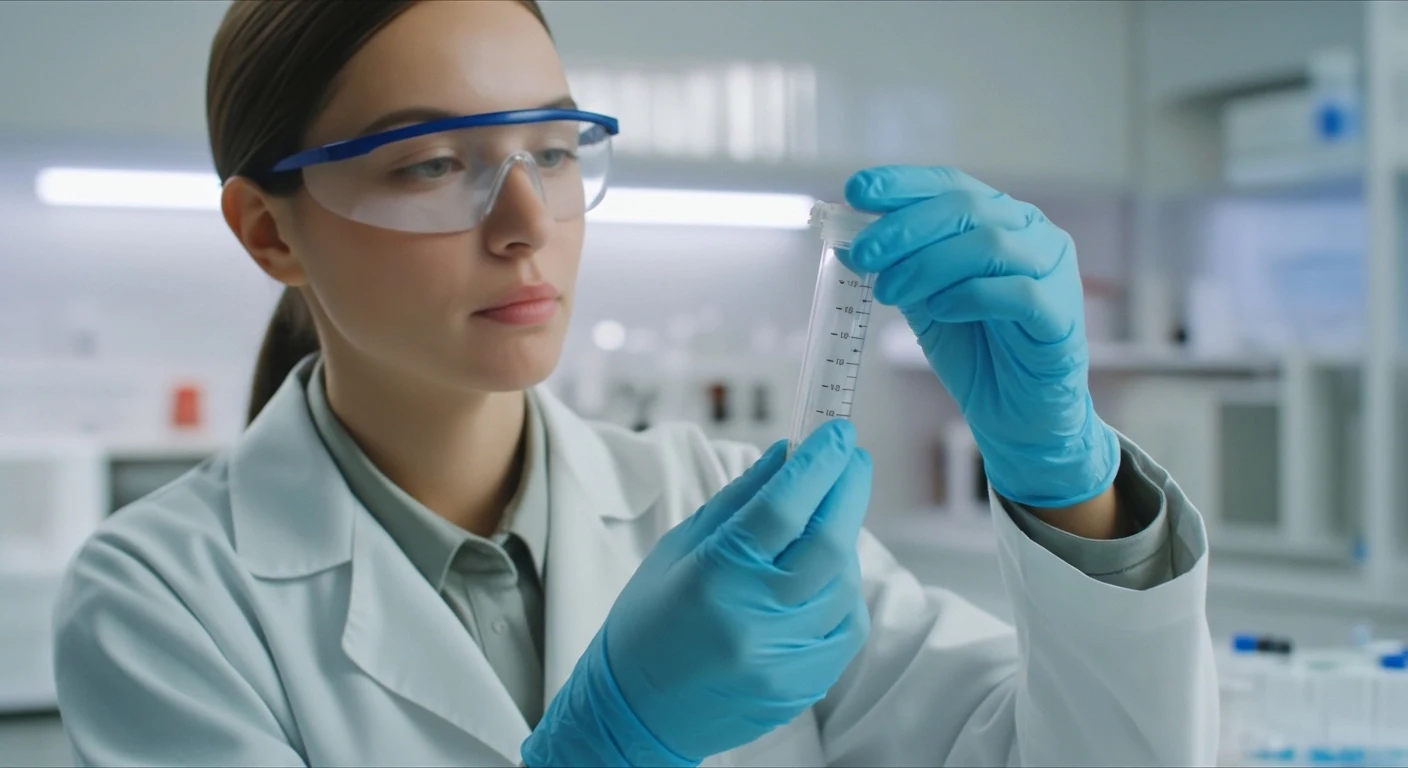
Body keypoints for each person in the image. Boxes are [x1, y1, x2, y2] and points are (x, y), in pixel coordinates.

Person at [51, 1, 1217, 766]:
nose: (524, 224)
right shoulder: (164, 600)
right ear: (269, 231)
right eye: (428, 164)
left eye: (551, 151)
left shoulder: (724, 506)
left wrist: (1067, 489)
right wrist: (604, 749)